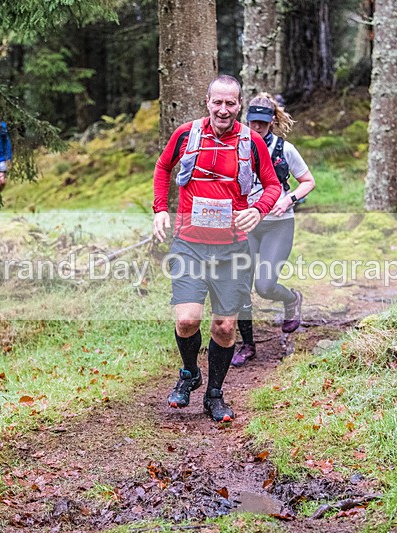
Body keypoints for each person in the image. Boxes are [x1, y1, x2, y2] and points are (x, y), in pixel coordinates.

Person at [152, 75, 282, 422]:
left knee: (224, 327)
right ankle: (189, 373)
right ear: (207, 102)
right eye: (218, 102)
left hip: (232, 250)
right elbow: (163, 167)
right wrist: (160, 209)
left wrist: (258, 210)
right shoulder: (186, 135)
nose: (223, 109)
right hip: (189, 246)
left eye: (230, 103)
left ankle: (214, 395)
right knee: (187, 320)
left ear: (239, 105)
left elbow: (272, 185)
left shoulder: (252, 142)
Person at [231, 92, 316, 367]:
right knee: (240, 285)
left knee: (265, 286)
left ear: (272, 121)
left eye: (262, 122)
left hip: (278, 224)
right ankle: (247, 345)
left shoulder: (284, 149)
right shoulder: (237, 146)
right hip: (246, 224)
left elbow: (308, 181)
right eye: (252, 121)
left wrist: (289, 199)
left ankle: (292, 299)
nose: (256, 127)